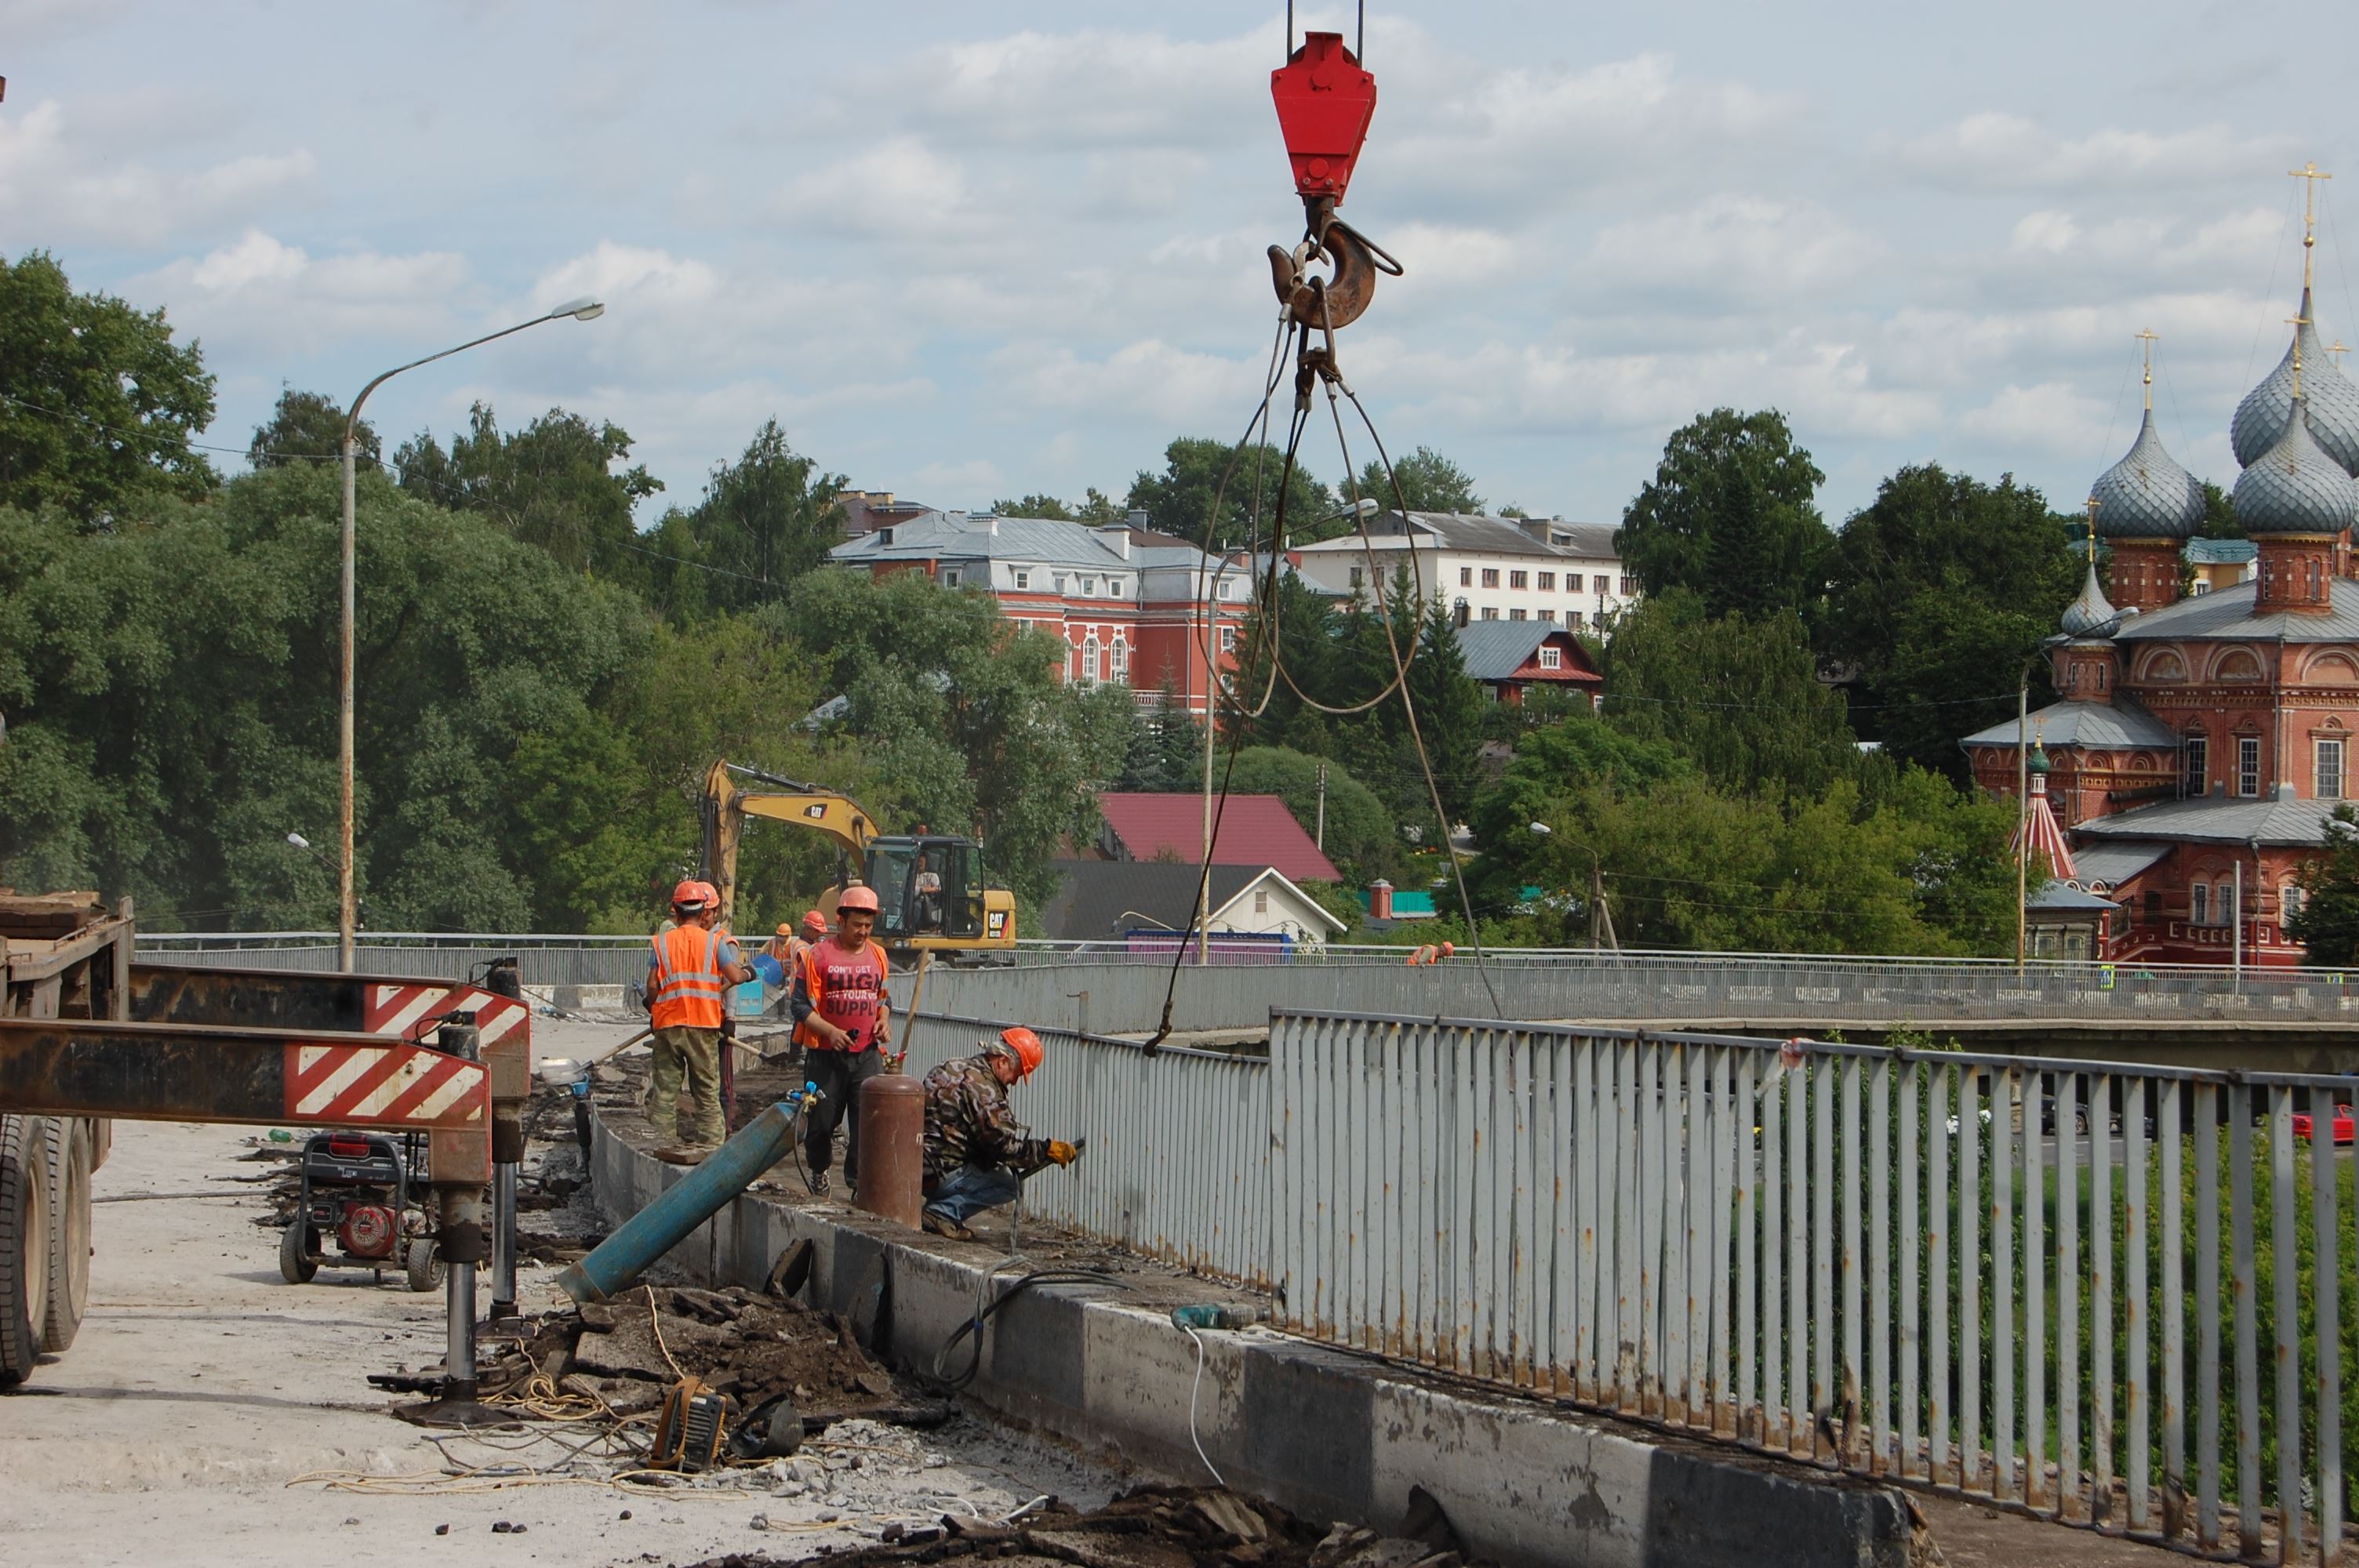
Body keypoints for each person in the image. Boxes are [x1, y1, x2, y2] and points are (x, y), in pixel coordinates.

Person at [920, 1026, 1080, 1240]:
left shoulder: (951, 1066)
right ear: (1003, 1061)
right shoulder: (985, 1091)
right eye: (1017, 1073)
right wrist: (1046, 1150)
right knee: (1009, 1185)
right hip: (940, 1174)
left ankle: (941, 1210)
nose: (1015, 1081)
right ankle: (941, 1213)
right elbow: (1006, 1149)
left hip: (917, 1168)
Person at [790, 884, 892, 1196]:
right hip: (826, 1056)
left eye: (868, 926)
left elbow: (884, 999)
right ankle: (819, 1171)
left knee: (867, 1124)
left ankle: (859, 1185)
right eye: (857, 925)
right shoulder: (817, 956)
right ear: (841, 920)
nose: (863, 932)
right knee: (821, 1124)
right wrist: (830, 1032)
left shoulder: (878, 956)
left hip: (866, 1056)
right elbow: (799, 1005)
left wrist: (884, 1020)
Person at [645, 879, 754, 1151]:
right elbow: (734, 977)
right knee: (706, 1093)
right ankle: (711, 1150)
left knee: (665, 1094)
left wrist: (652, 1006)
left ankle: (661, 1146)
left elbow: (652, 986)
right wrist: (748, 973)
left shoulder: (661, 943)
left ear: (675, 909)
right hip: (704, 1027)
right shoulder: (714, 943)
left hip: (668, 1026)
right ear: (703, 910)